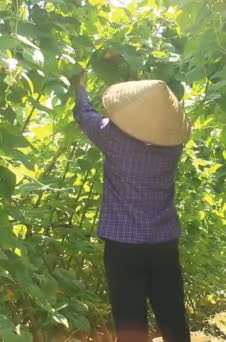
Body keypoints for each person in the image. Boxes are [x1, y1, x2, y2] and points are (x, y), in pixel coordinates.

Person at [71, 74, 192, 342]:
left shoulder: (113, 138)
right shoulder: (174, 147)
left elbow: (84, 113)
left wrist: (79, 87)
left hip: (122, 245)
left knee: (129, 321)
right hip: (163, 243)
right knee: (171, 313)